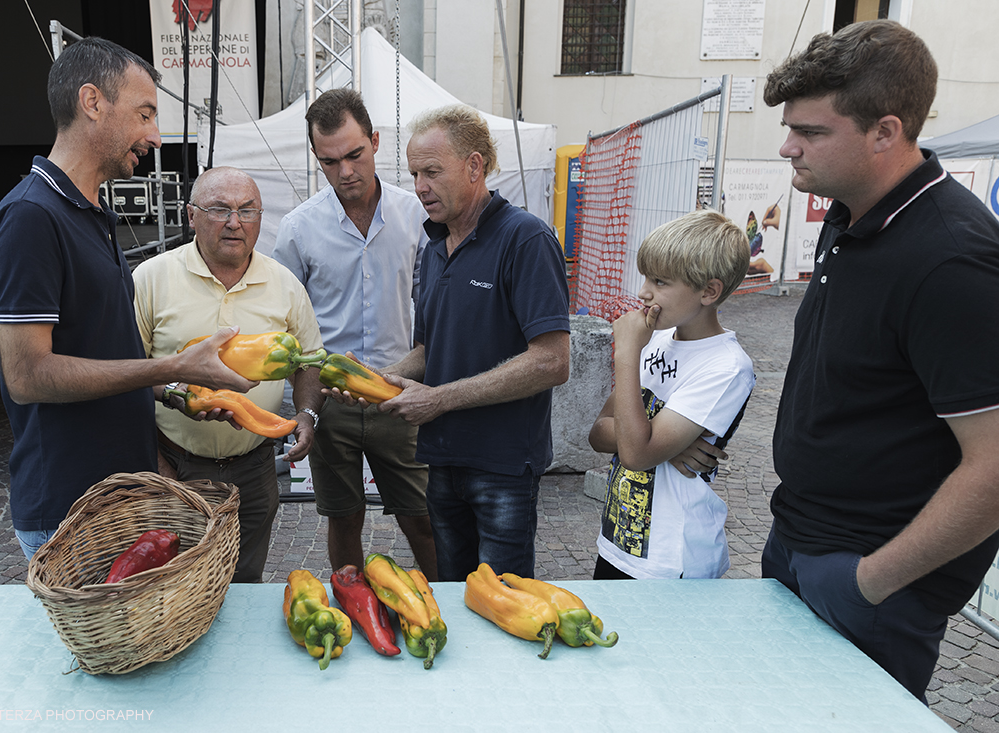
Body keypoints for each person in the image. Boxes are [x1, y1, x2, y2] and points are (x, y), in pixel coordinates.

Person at [761, 19, 999, 702]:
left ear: (885, 132)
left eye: (810, 132)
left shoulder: (953, 258)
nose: (788, 147)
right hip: (797, 543)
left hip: (873, 587)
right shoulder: (849, 212)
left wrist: (872, 579)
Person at [0, 37, 254, 561]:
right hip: (69, 511)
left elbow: (99, 354)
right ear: (92, 103)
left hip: (115, 500)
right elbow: (28, 375)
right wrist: (174, 367)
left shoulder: (92, 213)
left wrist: (177, 393)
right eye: (145, 113)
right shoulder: (32, 218)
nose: (156, 135)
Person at [363, 104, 570, 582]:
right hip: (442, 460)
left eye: (432, 172)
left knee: (504, 600)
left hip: (501, 467)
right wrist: (383, 379)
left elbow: (552, 362)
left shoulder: (526, 238)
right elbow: (430, 349)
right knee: (454, 596)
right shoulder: (434, 244)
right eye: (415, 173)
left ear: (474, 167)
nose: (419, 187)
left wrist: (438, 400)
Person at [272, 89, 438, 579]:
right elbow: (284, 322)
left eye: (354, 154)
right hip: (329, 402)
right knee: (343, 518)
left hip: (398, 396)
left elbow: (432, 311)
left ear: (376, 142)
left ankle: (441, 602)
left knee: (421, 519)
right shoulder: (299, 229)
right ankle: (352, 601)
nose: (345, 171)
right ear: (316, 159)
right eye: (329, 161)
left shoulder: (418, 217)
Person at [133, 166, 325, 583]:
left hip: (255, 470)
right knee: (175, 582)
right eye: (220, 209)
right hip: (175, 465)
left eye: (248, 210)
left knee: (245, 580)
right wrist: (169, 403)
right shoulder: (149, 279)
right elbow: (124, 370)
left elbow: (310, 361)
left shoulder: (285, 284)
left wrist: (307, 416)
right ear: (191, 216)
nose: (235, 222)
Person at [587, 209, 754, 580]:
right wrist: (666, 442)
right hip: (619, 542)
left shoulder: (726, 366)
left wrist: (627, 353)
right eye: (646, 276)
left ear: (709, 291)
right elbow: (599, 432)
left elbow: (635, 454)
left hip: (671, 560)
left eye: (661, 281)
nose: (644, 292)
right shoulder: (658, 339)